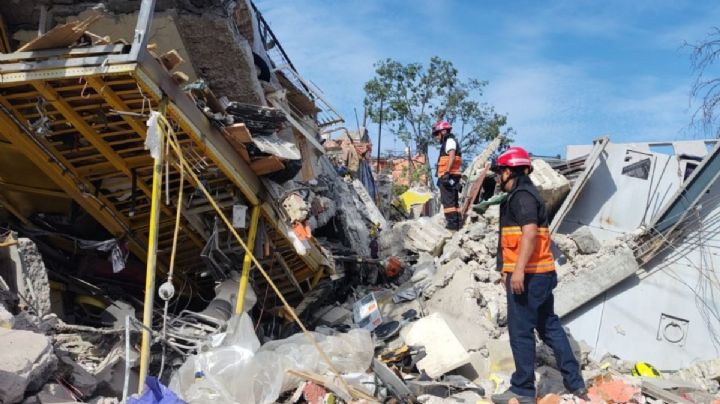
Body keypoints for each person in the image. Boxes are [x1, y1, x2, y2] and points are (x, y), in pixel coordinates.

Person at [490, 146, 587, 404]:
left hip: (529, 276)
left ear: (509, 171)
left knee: (521, 331)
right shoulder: (529, 194)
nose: (498, 178)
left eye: (499, 172)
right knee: (550, 327)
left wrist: (518, 271)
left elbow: (530, 233)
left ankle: (522, 390)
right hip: (541, 274)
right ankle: (575, 383)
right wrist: (506, 269)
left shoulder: (521, 196)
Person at [433, 121, 463, 230]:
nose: (436, 137)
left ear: (444, 131)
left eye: (437, 134)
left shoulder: (449, 141)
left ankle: (452, 226)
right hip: (450, 176)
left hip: (448, 176)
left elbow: (451, 157)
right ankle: (458, 224)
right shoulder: (449, 142)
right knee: (453, 202)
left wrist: (446, 172)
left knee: (448, 202)